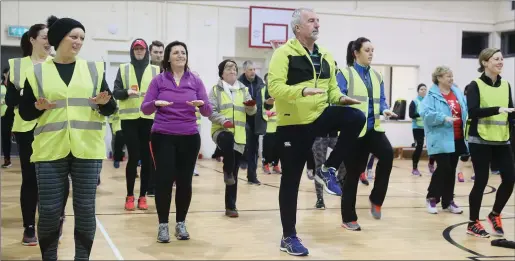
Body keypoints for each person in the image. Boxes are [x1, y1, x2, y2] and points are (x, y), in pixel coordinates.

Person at [267, 8, 365, 256]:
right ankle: (288, 237)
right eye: (311, 21)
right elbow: (275, 87)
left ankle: (328, 168)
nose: (317, 24)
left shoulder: (325, 56)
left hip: (319, 116)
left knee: (356, 117)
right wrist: (301, 91)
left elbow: (331, 90)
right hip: (292, 124)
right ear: (298, 27)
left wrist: (342, 98)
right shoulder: (284, 54)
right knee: (290, 181)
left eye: (318, 20)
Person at [19, 15, 117, 260]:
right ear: (58, 38)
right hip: (50, 149)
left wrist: (104, 104)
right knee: (51, 211)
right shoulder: (37, 72)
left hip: (87, 149)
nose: (78, 42)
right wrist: (37, 107)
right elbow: (25, 111)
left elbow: (110, 107)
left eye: (82, 38)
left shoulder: (94, 69)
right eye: (73, 36)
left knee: (84, 210)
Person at [141, 40, 212, 243]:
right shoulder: (159, 81)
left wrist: (201, 104)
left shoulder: (195, 80)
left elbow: (207, 111)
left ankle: (181, 223)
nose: (181, 55)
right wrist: (155, 103)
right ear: (168, 58)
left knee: (184, 182)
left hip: (189, 137)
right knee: (164, 180)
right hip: (162, 136)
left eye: (183, 52)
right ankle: (163, 225)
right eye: (176, 53)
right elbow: (145, 108)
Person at [5, 24, 67, 246]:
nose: (48, 41)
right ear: (32, 39)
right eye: (44, 37)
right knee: (30, 178)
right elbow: (11, 100)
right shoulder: (17, 65)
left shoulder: (58, 63)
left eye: (50, 37)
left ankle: (57, 221)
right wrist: (29, 99)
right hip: (27, 129)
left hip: (55, 127)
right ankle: (29, 227)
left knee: (58, 178)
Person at [336, 37, 397, 231]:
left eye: (372, 50)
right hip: (353, 131)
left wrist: (385, 109)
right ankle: (348, 218)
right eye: (367, 50)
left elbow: (382, 99)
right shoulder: (345, 73)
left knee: (387, 154)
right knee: (353, 174)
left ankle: (376, 199)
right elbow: (337, 97)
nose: (371, 53)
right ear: (356, 53)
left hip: (373, 128)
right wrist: (345, 100)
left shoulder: (377, 76)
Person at [465, 48, 515, 238]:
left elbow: (509, 112)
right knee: (481, 181)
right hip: (480, 139)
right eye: (496, 59)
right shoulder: (475, 85)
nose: (500, 62)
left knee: (510, 179)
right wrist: (498, 109)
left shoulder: (506, 85)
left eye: (502, 59)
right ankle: (473, 223)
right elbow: (473, 111)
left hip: (502, 139)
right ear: (485, 62)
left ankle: (495, 214)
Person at [113, 38, 160, 211]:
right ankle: (129, 195)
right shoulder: (123, 69)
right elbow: (116, 93)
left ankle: (142, 196)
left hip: (149, 119)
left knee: (147, 160)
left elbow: (163, 92)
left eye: (142, 49)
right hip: (129, 120)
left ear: (146, 51)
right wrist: (126, 92)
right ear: (132, 51)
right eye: (136, 49)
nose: (139, 51)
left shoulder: (156, 70)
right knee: (133, 157)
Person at [208, 59, 257, 218]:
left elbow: (251, 112)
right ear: (222, 72)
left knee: (234, 174)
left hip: (239, 135)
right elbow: (210, 111)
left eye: (235, 68)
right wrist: (224, 121)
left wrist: (251, 107)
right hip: (220, 131)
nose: (232, 70)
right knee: (227, 140)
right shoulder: (215, 90)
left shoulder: (243, 89)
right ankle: (226, 170)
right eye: (229, 68)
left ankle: (231, 207)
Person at [419, 66, 468, 215]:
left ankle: (448, 201)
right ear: (439, 78)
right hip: (440, 137)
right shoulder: (431, 96)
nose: (451, 79)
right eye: (448, 76)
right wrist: (443, 118)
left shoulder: (457, 92)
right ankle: (432, 197)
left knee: (451, 169)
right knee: (444, 167)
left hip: (457, 137)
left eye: (452, 76)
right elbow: (425, 114)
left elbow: (464, 109)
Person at [238, 60, 270, 185]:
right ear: (244, 71)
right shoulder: (238, 83)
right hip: (242, 118)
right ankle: (239, 164)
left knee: (254, 149)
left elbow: (266, 104)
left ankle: (252, 176)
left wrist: (268, 104)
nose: (253, 72)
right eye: (250, 69)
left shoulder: (261, 83)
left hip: (256, 120)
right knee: (243, 144)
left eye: (254, 69)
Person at [409, 83, 436, 176]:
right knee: (419, 146)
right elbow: (411, 115)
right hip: (417, 128)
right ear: (418, 91)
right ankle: (415, 168)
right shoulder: (414, 102)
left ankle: (431, 164)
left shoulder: (429, 102)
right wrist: (422, 114)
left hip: (428, 127)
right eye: (421, 89)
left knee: (433, 146)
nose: (423, 91)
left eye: (425, 89)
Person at [261, 73, 281, 174]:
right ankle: (265, 164)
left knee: (278, 147)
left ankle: (275, 165)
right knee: (268, 147)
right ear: (265, 81)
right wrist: (267, 113)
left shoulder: (278, 91)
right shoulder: (262, 91)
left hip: (278, 124)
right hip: (268, 125)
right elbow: (260, 106)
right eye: (268, 80)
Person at [1, 68, 14, 169]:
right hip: (5, 115)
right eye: (9, 73)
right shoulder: (1, 87)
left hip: (16, 114)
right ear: (5, 74)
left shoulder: (14, 85)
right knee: (6, 137)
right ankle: (7, 160)